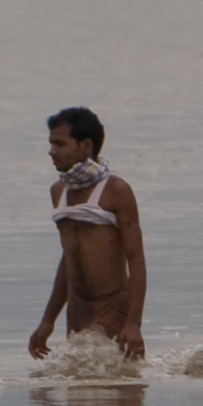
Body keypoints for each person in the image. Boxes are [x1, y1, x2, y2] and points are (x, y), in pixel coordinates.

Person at [26, 104, 147, 361]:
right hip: (77, 310)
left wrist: (134, 323)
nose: (52, 151)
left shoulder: (116, 190)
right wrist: (48, 321)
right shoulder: (59, 191)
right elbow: (67, 260)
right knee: (79, 387)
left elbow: (136, 259)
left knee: (96, 373)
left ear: (85, 146)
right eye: (51, 143)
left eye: (60, 144)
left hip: (114, 307)